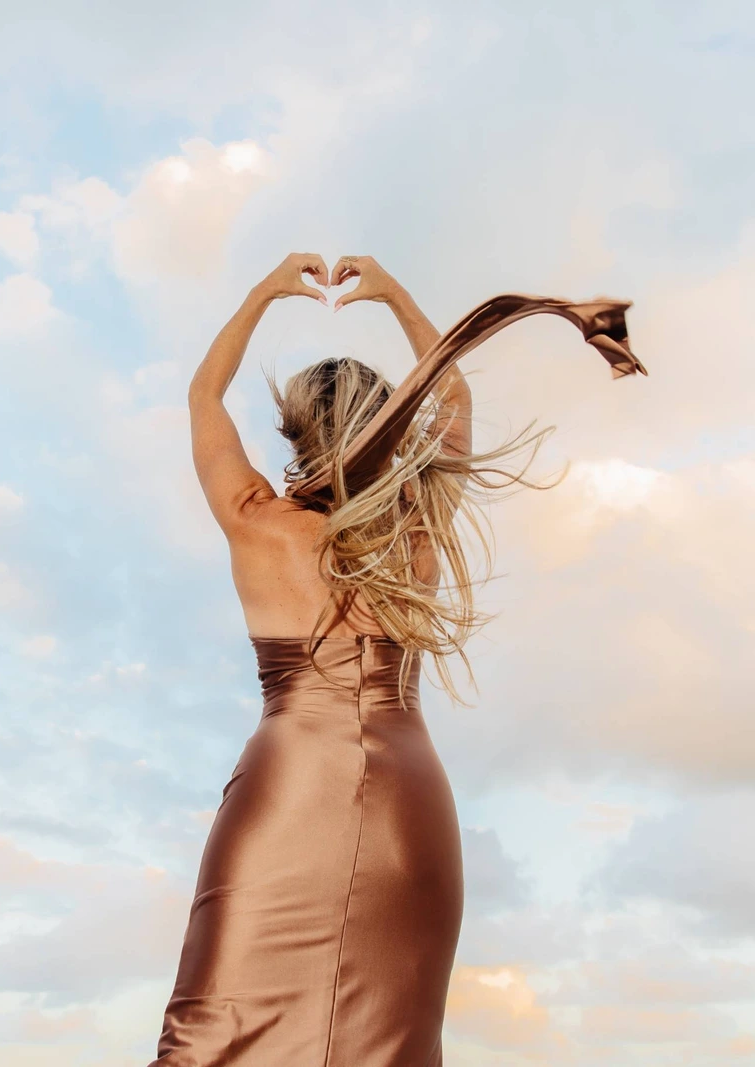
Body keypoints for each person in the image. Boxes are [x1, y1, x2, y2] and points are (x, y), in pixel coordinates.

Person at [149, 253, 557, 1066]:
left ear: (293, 426)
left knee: (214, 1030)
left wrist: (264, 291)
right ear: (392, 423)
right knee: (388, 1042)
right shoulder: (419, 526)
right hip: (410, 795)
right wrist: (398, 294)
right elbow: (457, 396)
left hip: (291, 781)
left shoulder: (255, 519)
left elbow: (203, 394)